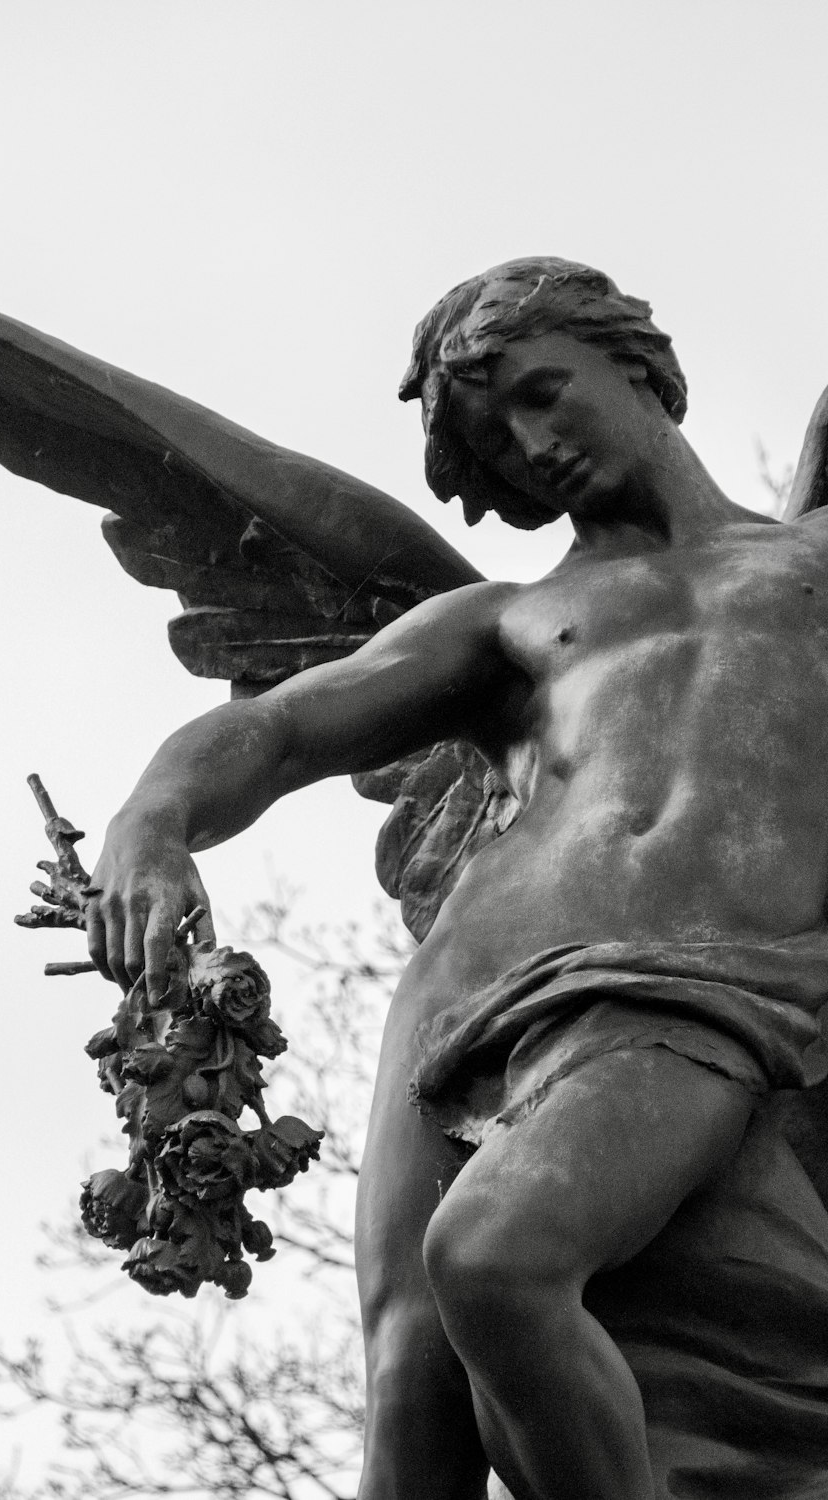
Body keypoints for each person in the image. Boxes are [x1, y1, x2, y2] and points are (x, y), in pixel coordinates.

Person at [83, 259, 828, 1500]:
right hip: (460, 995)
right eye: (496, 436)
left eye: (545, 393)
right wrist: (151, 822)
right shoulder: (508, 619)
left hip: (694, 982)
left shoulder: (806, 567)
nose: (533, 445)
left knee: (496, 1263)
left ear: (639, 369)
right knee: (410, 1403)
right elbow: (283, 730)